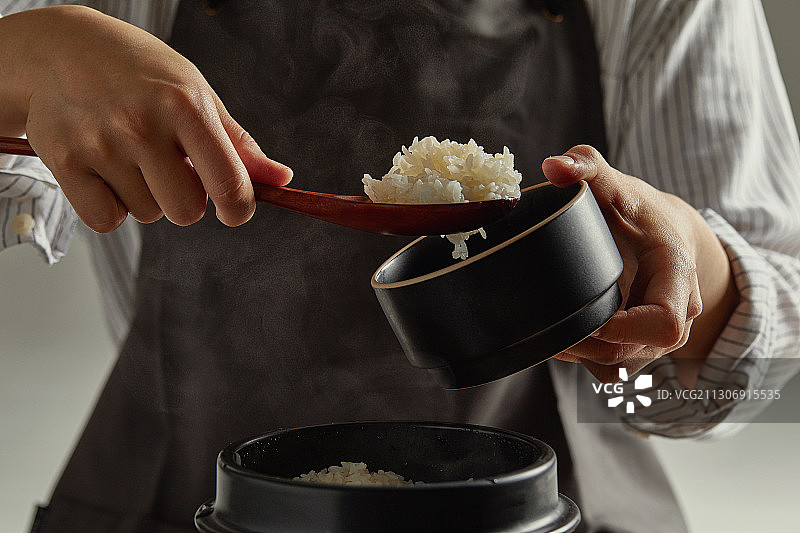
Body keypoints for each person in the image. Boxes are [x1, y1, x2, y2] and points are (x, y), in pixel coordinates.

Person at [2, 0, 799, 531]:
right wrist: (25, 54)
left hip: (547, 510)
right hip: (175, 503)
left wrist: (686, 267)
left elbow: (774, 368)